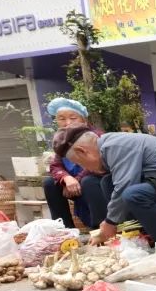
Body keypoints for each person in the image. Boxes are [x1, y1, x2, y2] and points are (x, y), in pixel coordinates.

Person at [52, 126, 156, 246]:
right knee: (107, 182)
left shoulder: (115, 146)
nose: (86, 169)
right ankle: (140, 235)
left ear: (82, 151)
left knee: (132, 194)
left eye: (80, 163)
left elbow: (124, 186)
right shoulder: (107, 145)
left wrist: (109, 223)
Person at [42, 98, 108, 229]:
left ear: (84, 120)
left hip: (95, 184)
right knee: (50, 183)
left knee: (88, 181)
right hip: (73, 186)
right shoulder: (62, 140)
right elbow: (56, 164)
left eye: (73, 118)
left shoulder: (95, 137)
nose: (67, 123)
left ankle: (99, 228)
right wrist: (66, 178)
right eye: (61, 119)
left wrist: (76, 180)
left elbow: (96, 164)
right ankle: (64, 229)